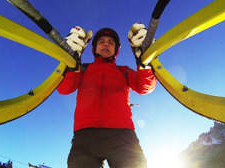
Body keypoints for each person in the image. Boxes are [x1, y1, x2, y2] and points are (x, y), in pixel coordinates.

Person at [57, 23, 157, 168]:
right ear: (94, 48)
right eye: (101, 42)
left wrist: (144, 64)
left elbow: (145, 87)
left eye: (111, 42)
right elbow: (64, 88)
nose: (106, 44)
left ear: (116, 49)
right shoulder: (83, 69)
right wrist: (71, 65)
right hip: (86, 136)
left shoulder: (123, 71)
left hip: (123, 135)